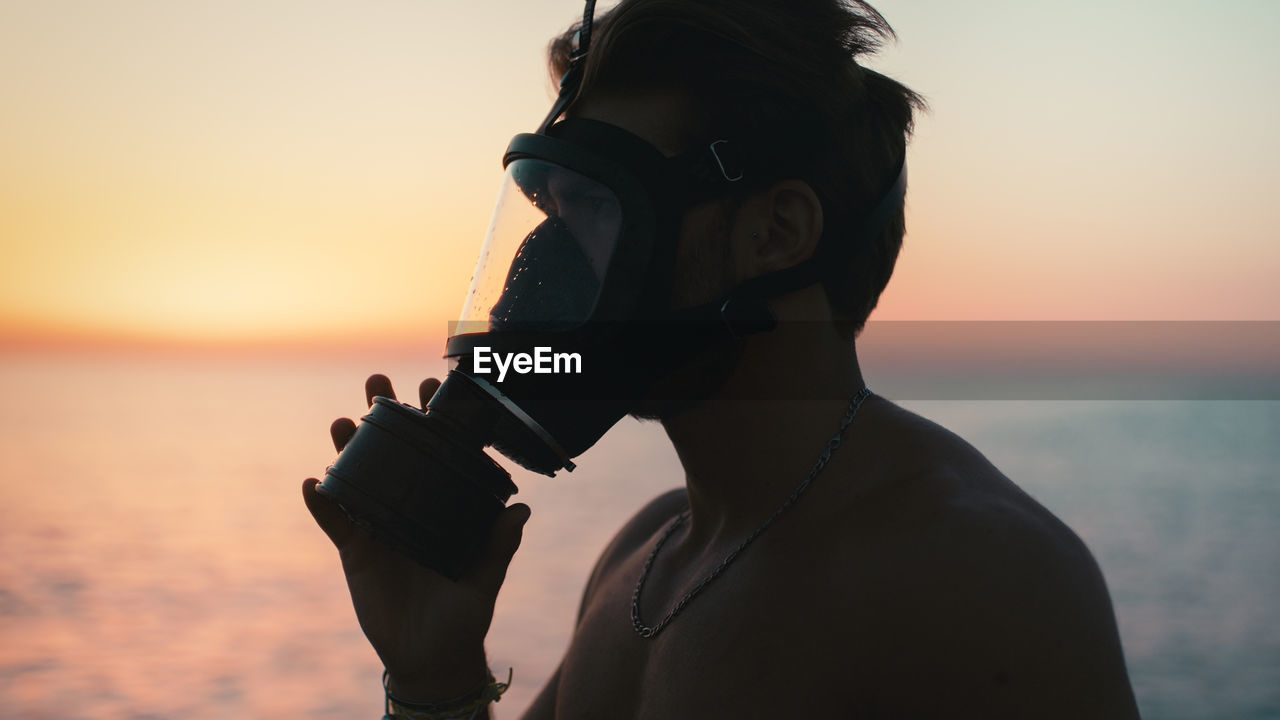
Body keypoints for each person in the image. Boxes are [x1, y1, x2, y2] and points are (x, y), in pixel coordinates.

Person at [303, 1, 1142, 717]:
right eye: (548, 202)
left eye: (597, 204)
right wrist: (434, 675)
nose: (544, 263)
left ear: (776, 232)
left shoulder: (982, 583)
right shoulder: (645, 555)